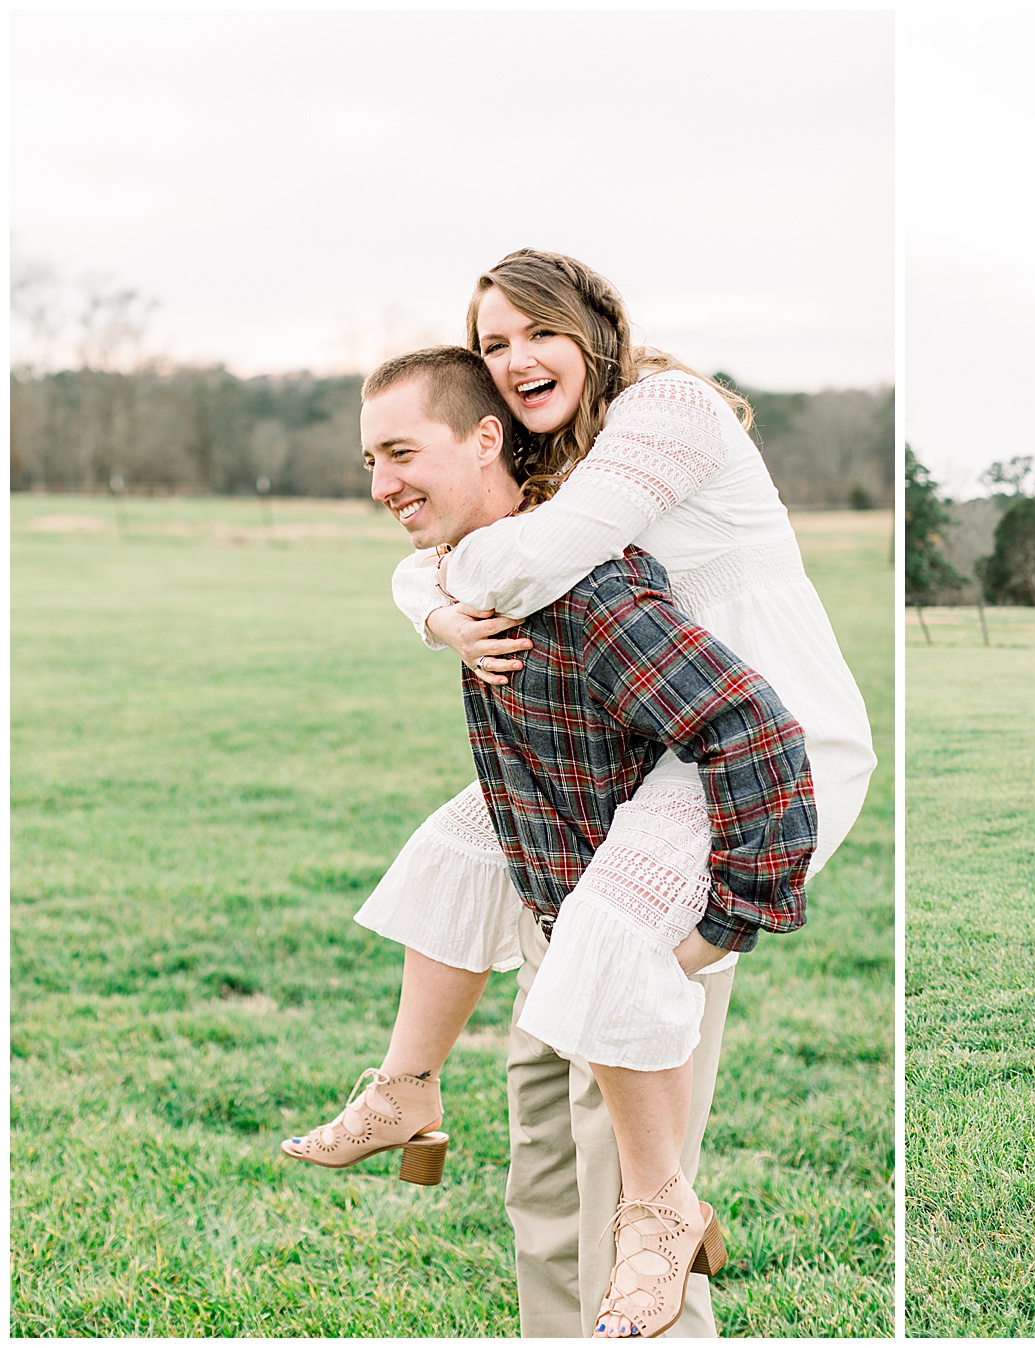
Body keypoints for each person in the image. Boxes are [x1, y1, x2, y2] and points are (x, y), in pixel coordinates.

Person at [283, 249, 874, 1337]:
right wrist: (430, 598)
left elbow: (539, 549)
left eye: (533, 333)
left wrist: (431, 597)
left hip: (759, 749)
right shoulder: (562, 453)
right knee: (457, 858)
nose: (512, 361)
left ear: (596, 325)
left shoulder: (668, 411)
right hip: (640, 760)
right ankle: (409, 1083)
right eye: (491, 343)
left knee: (611, 980)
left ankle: (663, 1212)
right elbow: (465, 535)